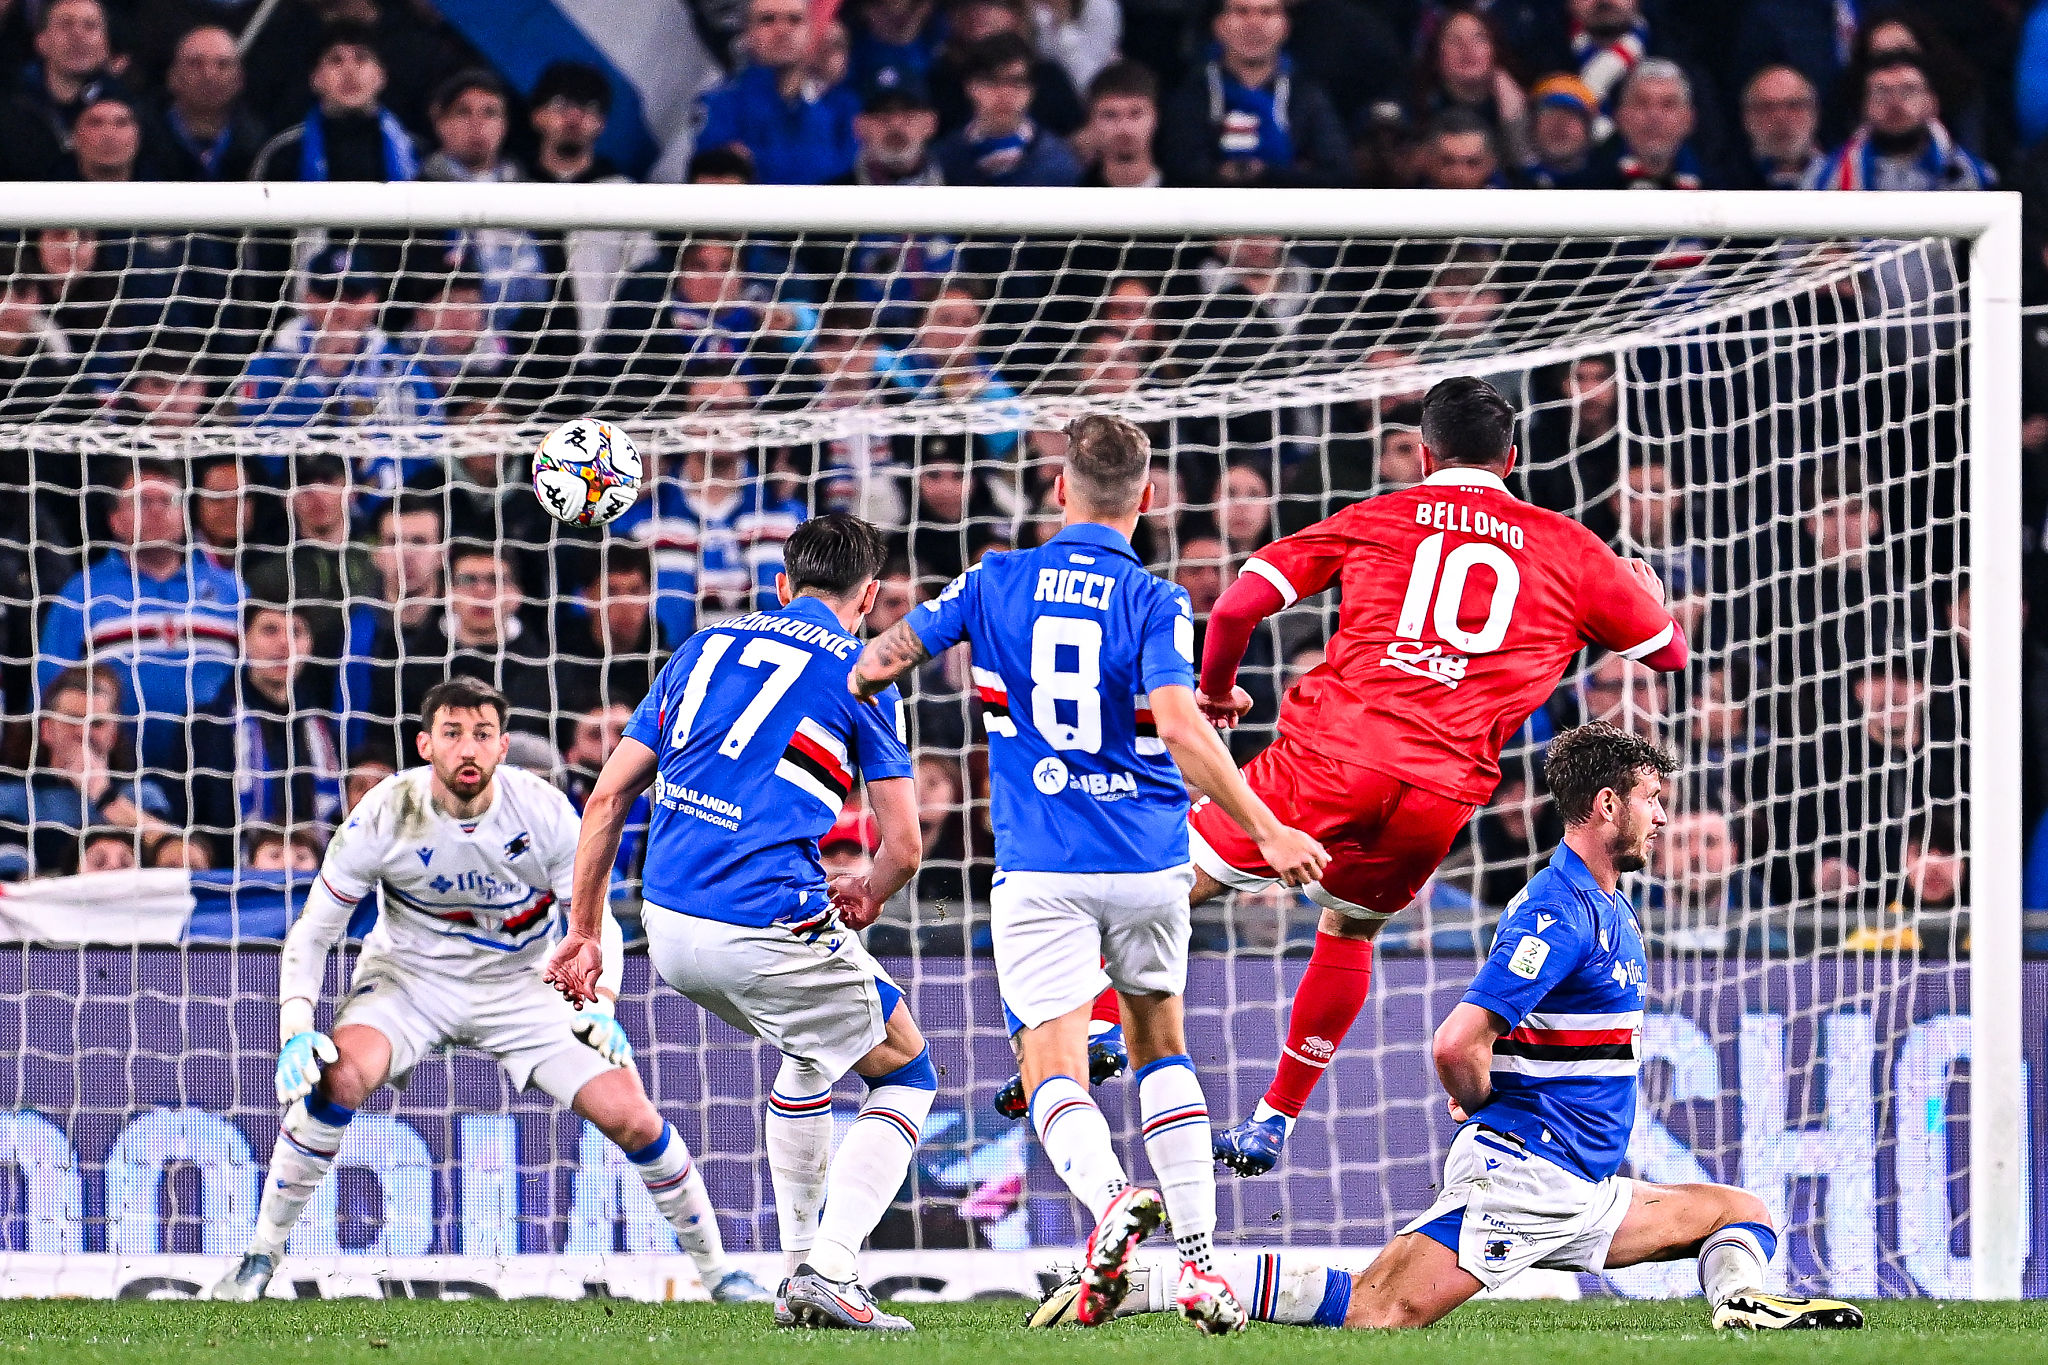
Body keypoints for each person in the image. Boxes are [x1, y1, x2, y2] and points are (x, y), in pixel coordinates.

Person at [1037, 724, 1864, 1334]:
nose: (1661, 817)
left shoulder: (1609, 902)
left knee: (1739, 1210)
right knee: (1377, 1309)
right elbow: (1454, 1042)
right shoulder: (1556, 907)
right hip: (1528, 1177)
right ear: (1607, 803)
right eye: (1652, 799)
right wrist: (1489, 1110)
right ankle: (1138, 1280)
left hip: (1585, 1189)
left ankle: (1739, 1306)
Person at [851, 415, 1327, 1332]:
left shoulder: (994, 580)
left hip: (1041, 867)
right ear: (1146, 500)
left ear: (1058, 489)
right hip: (1149, 861)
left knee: (1051, 1058)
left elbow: (882, 658)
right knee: (1161, 1045)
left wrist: (858, 684)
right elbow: (1183, 727)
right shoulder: (1155, 599)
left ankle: (1112, 1201)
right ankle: (1200, 1271)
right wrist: (1264, 829)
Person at [1196, 376, 1689, 1177]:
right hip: (1438, 794)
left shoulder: (1378, 517)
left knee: (1160, 882)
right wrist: (1651, 602)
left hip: (1335, 754)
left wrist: (1217, 690)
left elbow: (1231, 610)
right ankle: (1272, 1120)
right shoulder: (1566, 545)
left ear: (1424, 454)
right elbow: (1666, 653)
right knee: (1349, 926)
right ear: (1514, 458)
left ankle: (1099, 1031)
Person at [206, 677, 766, 1305]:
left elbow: (595, 916)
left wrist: (600, 1003)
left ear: (503, 746)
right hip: (409, 983)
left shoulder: (545, 809)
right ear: (424, 744)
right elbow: (312, 934)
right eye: (451, 734)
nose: (466, 749)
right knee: (337, 1078)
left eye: (481, 735)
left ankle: (722, 1274)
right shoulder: (385, 812)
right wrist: (295, 1029)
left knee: (635, 1119)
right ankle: (259, 1257)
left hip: (526, 988)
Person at [546, 515, 930, 1331]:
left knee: (811, 1048)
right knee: (905, 1069)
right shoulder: (867, 669)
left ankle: (799, 1271)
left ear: (781, 585)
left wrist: (584, 928)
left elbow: (608, 798)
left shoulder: (700, 648)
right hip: (762, 920)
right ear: (867, 598)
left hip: (667, 923)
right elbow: (905, 845)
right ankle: (830, 1267)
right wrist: (870, 892)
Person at [1157, 0, 1348, 188]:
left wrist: (1266, 174)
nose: (1254, 24)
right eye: (1241, 11)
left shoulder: (1309, 96)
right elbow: (1179, 171)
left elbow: (1337, 173)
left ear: (1285, 26)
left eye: (1266, 12)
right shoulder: (1191, 94)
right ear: (1219, 25)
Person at [697, 0, 861, 186]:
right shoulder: (718, 105)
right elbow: (718, 179)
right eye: (767, 20)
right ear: (747, 33)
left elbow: (847, 178)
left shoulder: (841, 107)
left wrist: (754, 161)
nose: (782, 30)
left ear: (810, 32)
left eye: (794, 20)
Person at [247, 20, 419, 183]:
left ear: (381, 76)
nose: (349, 71)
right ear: (315, 79)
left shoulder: (418, 152)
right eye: (336, 60)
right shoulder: (283, 153)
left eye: (361, 58)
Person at [1810, 52, 1994, 192]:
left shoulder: (1973, 175)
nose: (1895, 102)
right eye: (1882, 92)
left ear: (1932, 102)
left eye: (1908, 90)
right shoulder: (1824, 178)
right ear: (1864, 105)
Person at [932, 33, 1083, 187]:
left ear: (1031, 91)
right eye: (991, 81)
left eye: (1016, 82)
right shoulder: (942, 160)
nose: (1004, 94)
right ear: (969, 87)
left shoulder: (1059, 165)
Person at [160, 23, 267, 182]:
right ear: (173, 76)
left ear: (240, 79)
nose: (209, 75)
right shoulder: (145, 138)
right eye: (195, 63)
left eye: (223, 65)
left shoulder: (262, 144)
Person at [1739, 65, 1824, 191]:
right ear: (1747, 117)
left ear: (1814, 113)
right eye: (1766, 107)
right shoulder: (1721, 180)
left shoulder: (1840, 173)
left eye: (1794, 105)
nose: (1780, 117)